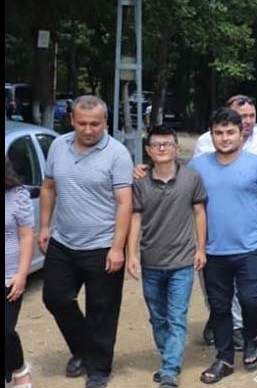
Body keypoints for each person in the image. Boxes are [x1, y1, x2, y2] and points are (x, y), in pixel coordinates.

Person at [39, 95, 134, 388]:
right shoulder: (58, 145)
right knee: (54, 298)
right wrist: (44, 226)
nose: (88, 130)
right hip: (62, 241)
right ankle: (83, 349)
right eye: (82, 123)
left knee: (101, 310)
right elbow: (48, 186)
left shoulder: (117, 154)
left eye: (95, 124)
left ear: (105, 122)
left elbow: (125, 203)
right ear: (72, 120)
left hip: (102, 245)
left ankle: (99, 368)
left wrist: (117, 247)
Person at [190, 108, 257, 384]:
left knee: (251, 300)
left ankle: (251, 339)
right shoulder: (197, 166)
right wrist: (142, 171)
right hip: (213, 251)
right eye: (218, 132)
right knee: (219, 307)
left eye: (230, 132)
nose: (225, 138)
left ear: (242, 134)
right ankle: (225, 357)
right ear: (211, 135)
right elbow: (175, 184)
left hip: (249, 248)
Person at [125, 125, 208, 388]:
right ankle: (168, 357)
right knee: (157, 316)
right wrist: (131, 254)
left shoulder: (191, 178)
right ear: (148, 150)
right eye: (156, 144)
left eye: (167, 144)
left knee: (176, 317)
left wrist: (201, 248)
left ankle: (170, 369)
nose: (162, 148)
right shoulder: (139, 182)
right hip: (151, 261)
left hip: (182, 262)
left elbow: (199, 213)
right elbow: (135, 218)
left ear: (176, 148)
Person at [6, 159, 34, 388]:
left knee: (6, 330)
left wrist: (22, 274)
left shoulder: (17, 195)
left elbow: (26, 236)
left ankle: (20, 370)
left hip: (9, 276)